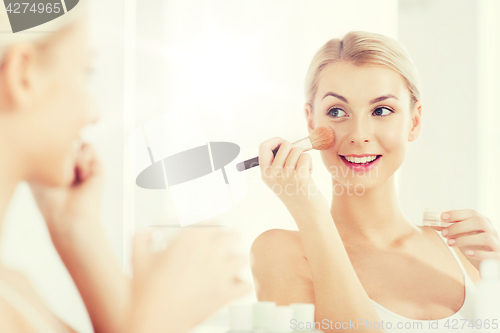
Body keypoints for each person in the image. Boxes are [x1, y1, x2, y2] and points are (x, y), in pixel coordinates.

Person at [0, 3, 250, 333]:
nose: (93, 113)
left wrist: (75, 228)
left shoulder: (15, 290)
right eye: (85, 72)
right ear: (24, 75)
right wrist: (162, 318)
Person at [250, 31, 500, 333]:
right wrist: (310, 212)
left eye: (381, 110)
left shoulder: (460, 248)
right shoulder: (281, 252)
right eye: (337, 111)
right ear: (311, 121)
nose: (359, 133)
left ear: (414, 121)